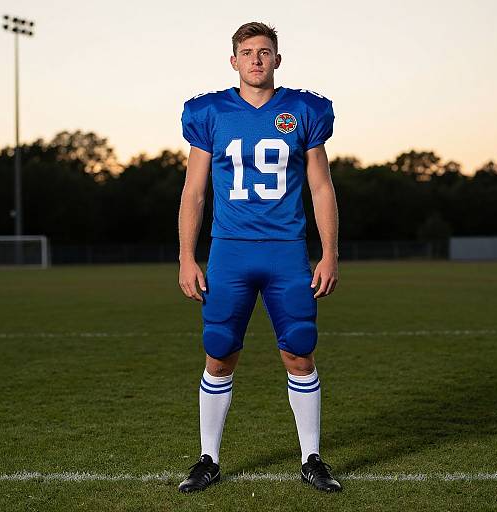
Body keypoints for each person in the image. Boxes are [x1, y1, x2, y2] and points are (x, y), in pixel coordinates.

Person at [177, 21, 341, 493]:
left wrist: (329, 253)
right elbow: (194, 191)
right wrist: (188, 256)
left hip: (287, 251)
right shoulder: (209, 112)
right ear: (234, 61)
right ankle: (208, 457)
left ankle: (311, 457)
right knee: (219, 352)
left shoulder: (303, 110)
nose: (256, 59)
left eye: (264, 51)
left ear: (277, 59)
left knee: (299, 349)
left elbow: (320, 185)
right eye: (247, 52)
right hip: (229, 251)